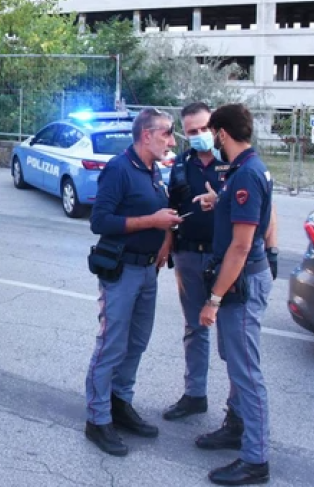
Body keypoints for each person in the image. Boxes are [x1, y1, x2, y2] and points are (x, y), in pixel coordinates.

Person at [164, 103, 279, 423]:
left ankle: (238, 414)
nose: (201, 135)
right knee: (194, 328)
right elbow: (172, 205)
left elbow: (265, 213)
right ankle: (194, 395)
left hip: (226, 261)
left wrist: (272, 252)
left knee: (233, 344)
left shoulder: (235, 162)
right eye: (192, 131)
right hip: (189, 255)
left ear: (217, 130)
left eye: (205, 129)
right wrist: (167, 245)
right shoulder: (181, 164)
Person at [84, 107, 183, 456]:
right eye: (167, 133)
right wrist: (151, 222)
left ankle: (120, 403)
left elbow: (159, 214)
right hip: (122, 270)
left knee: (137, 342)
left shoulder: (153, 170)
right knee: (112, 345)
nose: (172, 141)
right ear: (146, 134)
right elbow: (100, 222)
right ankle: (97, 419)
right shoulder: (119, 169)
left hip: (148, 270)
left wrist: (166, 236)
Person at [194, 103, 275, 486]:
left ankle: (255, 460)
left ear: (222, 134)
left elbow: (241, 247)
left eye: (211, 132)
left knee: (246, 371)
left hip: (240, 284)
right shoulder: (244, 170)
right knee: (235, 359)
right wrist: (219, 201)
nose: (208, 139)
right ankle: (237, 426)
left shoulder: (246, 175)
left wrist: (213, 300)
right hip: (240, 281)